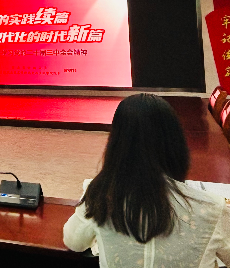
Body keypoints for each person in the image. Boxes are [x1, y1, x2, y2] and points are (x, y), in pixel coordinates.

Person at [63, 93, 230, 267]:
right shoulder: (212, 208)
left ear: (116, 143)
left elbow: (73, 242)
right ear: (176, 143)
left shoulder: (100, 196)